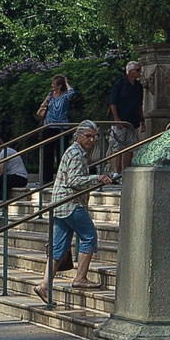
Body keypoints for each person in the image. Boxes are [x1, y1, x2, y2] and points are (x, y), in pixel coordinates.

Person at [36, 121, 102, 300]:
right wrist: (97, 178)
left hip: (60, 204)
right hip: (71, 203)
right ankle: (80, 278)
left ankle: (44, 285)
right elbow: (74, 180)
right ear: (78, 135)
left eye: (94, 136)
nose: (92, 140)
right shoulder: (75, 154)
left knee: (58, 248)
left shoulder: (74, 152)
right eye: (88, 136)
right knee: (89, 236)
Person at [106, 62, 145, 177]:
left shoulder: (138, 86)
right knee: (117, 147)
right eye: (137, 70)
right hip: (121, 120)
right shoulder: (120, 84)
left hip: (133, 121)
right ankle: (116, 172)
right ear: (131, 71)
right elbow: (113, 103)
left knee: (130, 147)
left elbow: (139, 105)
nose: (140, 72)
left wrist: (142, 121)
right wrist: (117, 119)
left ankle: (125, 171)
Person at [37, 74, 75, 180]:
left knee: (61, 153)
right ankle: (46, 179)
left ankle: (61, 177)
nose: (52, 85)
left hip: (61, 127)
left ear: (59, 86)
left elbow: (72, 92)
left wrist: (66, 82)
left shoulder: (65, 96)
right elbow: (43, 106)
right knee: (47, 154)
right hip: (49, 126)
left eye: (54, 84)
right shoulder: (50, 94)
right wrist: (46, 101)